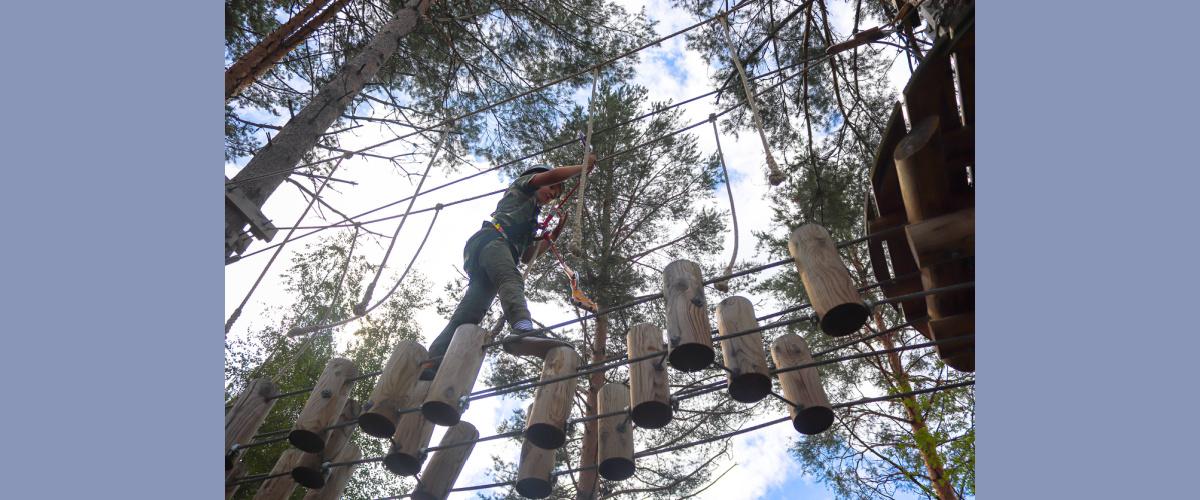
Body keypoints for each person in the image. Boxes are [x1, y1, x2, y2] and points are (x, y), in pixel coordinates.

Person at [419, 154, 597, 380]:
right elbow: (550, 175)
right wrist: (582, 167)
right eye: (553, 188)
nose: (553, 194)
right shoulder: (521, 189)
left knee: (469, 313)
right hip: (492, 241)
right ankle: (522, 328)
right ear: (536, 178)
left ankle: (431, 364)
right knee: (511, 279)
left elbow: (528, 256)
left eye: (557, 194)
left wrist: (554, 234)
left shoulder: (531, 219)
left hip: (494, 253)